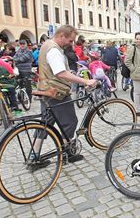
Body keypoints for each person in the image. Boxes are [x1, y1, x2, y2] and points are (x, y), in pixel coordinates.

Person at [35, 25, 97, 162]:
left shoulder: (46, 44)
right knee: (70, 122)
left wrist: (71, 74)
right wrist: (84, 81)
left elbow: (53, 70)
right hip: (56, 92)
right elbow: (60, 73)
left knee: (45, 123)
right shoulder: (54, 50)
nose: (71, 44)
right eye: (70, 40)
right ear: (61, 35)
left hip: (45, 90)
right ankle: (66, 153)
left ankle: (34, 155)